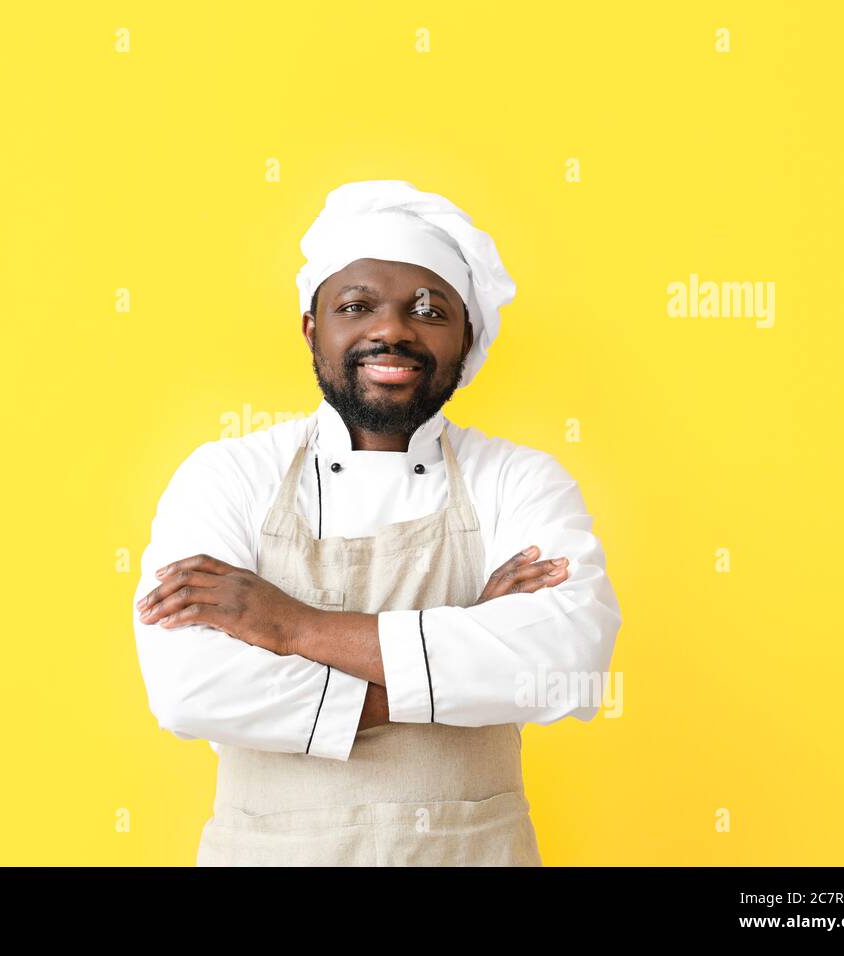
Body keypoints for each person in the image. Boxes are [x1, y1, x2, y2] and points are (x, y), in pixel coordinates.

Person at [132, 179, 622, 866]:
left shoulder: (519, 479)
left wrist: (293, 628)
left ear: (467, 335)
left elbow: (565, 666)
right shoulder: (227, 475)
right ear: (313, 326)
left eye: (429, 309)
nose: (392, 328)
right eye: (356, 305)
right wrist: (465, 645)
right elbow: (189, 688)